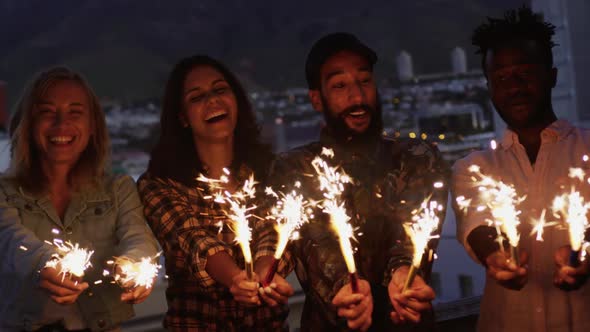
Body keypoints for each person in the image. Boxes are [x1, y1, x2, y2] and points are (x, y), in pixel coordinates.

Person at [255, 33, 449, 331]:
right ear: (316, 98)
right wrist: (343, 284)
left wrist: (404, 273)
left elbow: (412, 233)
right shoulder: (294, 169)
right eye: (340, 86)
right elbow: (312, 238)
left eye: (364, 81)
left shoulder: (417, 157)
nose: (357, 97)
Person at [452, 6, 590, 332]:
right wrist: (495, 257)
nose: (513, 86)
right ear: (489, 87)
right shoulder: (473, 167)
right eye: (500, 78)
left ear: (552, 76)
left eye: (524, 74)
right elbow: (478, 225)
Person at [138, 55, 293, 331]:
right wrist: (236, 279)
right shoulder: (158, 185)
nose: (212, 100)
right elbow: (192, 238)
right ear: (182, 117)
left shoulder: (269, 171)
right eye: (197, 97)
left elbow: (275, 229)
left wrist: (265, 271)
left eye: (220, 90)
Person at [0, 66, 159, 331]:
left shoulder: (118, 189)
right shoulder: (4, 191)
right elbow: (10, 238)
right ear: (28, 123)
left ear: (93, 125)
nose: (61, 124)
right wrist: (44, 264)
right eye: (47, 112)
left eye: (75, 112)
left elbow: (139, 237)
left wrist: (136, 266)